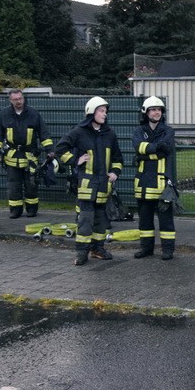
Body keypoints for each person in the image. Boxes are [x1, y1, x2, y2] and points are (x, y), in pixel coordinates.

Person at [54, 96, 125, 266]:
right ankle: (81, 253)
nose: (104, 114)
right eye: (101, 111)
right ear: (91, 112)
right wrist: (75, 160)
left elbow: (118, 158)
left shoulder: (110, 134)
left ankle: (97, 249)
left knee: (101, 221)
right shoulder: (79, 132)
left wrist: (115, 172)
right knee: (85, 220)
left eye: (105, 111)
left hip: (103, 186)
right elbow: (60, 149)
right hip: (86, 186)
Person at [0, 89, 54, 218]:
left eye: (20, 98)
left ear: (23, 98)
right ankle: (15, 210)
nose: (18, 101)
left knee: (31, 185)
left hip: (30, 156)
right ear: (10, 100)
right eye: (15, 99)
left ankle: (32, 210)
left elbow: (44, 134)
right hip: (12, 157)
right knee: (14, 186)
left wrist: (50, 150)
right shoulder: (4, 114)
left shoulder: (34, 114)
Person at [132, 96, 177, 261]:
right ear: (146, 112)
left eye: (159, 110)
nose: (156, 112)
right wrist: (155, 148)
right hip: (143, 183)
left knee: (166, 221)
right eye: (153, 110)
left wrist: (143, 155)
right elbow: (138, 146)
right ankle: (146, 248)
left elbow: (165, 149)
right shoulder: (139, 131)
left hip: (162, 183)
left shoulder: (168, 130)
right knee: (145, 220)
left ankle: (168, 250)